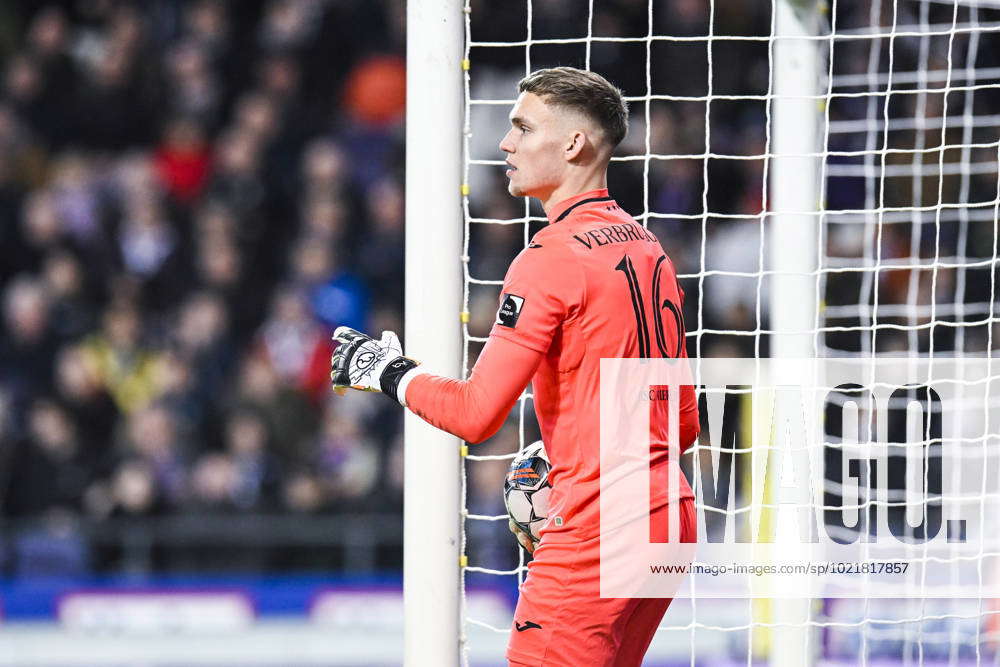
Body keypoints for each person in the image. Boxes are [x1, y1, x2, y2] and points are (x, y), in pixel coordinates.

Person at [331, 67, 699, 667]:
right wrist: (568, 463)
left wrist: (386, 371)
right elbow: (682, 424)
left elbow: (478, 415)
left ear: (575, 144)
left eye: (523, 127)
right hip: (669, 517)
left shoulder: (549, 258)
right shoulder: (648, 248)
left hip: (598, 526)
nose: (506, 143)